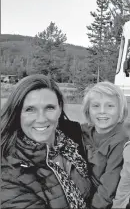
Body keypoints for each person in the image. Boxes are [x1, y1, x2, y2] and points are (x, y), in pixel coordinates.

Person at [1, 74, 92, 209]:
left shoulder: (72, 143)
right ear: (17, 113)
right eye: (30, 110)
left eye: (49, 108)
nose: (41, 119)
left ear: (60, 109)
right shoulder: (8, 171)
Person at [81, 81, 129, 209]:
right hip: (82, 194)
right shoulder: (83, 131)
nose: (102, 111)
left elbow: (109, 186)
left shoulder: (120, 140)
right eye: (96, 106)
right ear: (88, 110)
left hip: (103, 202)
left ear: (120, 111)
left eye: (110, 106)